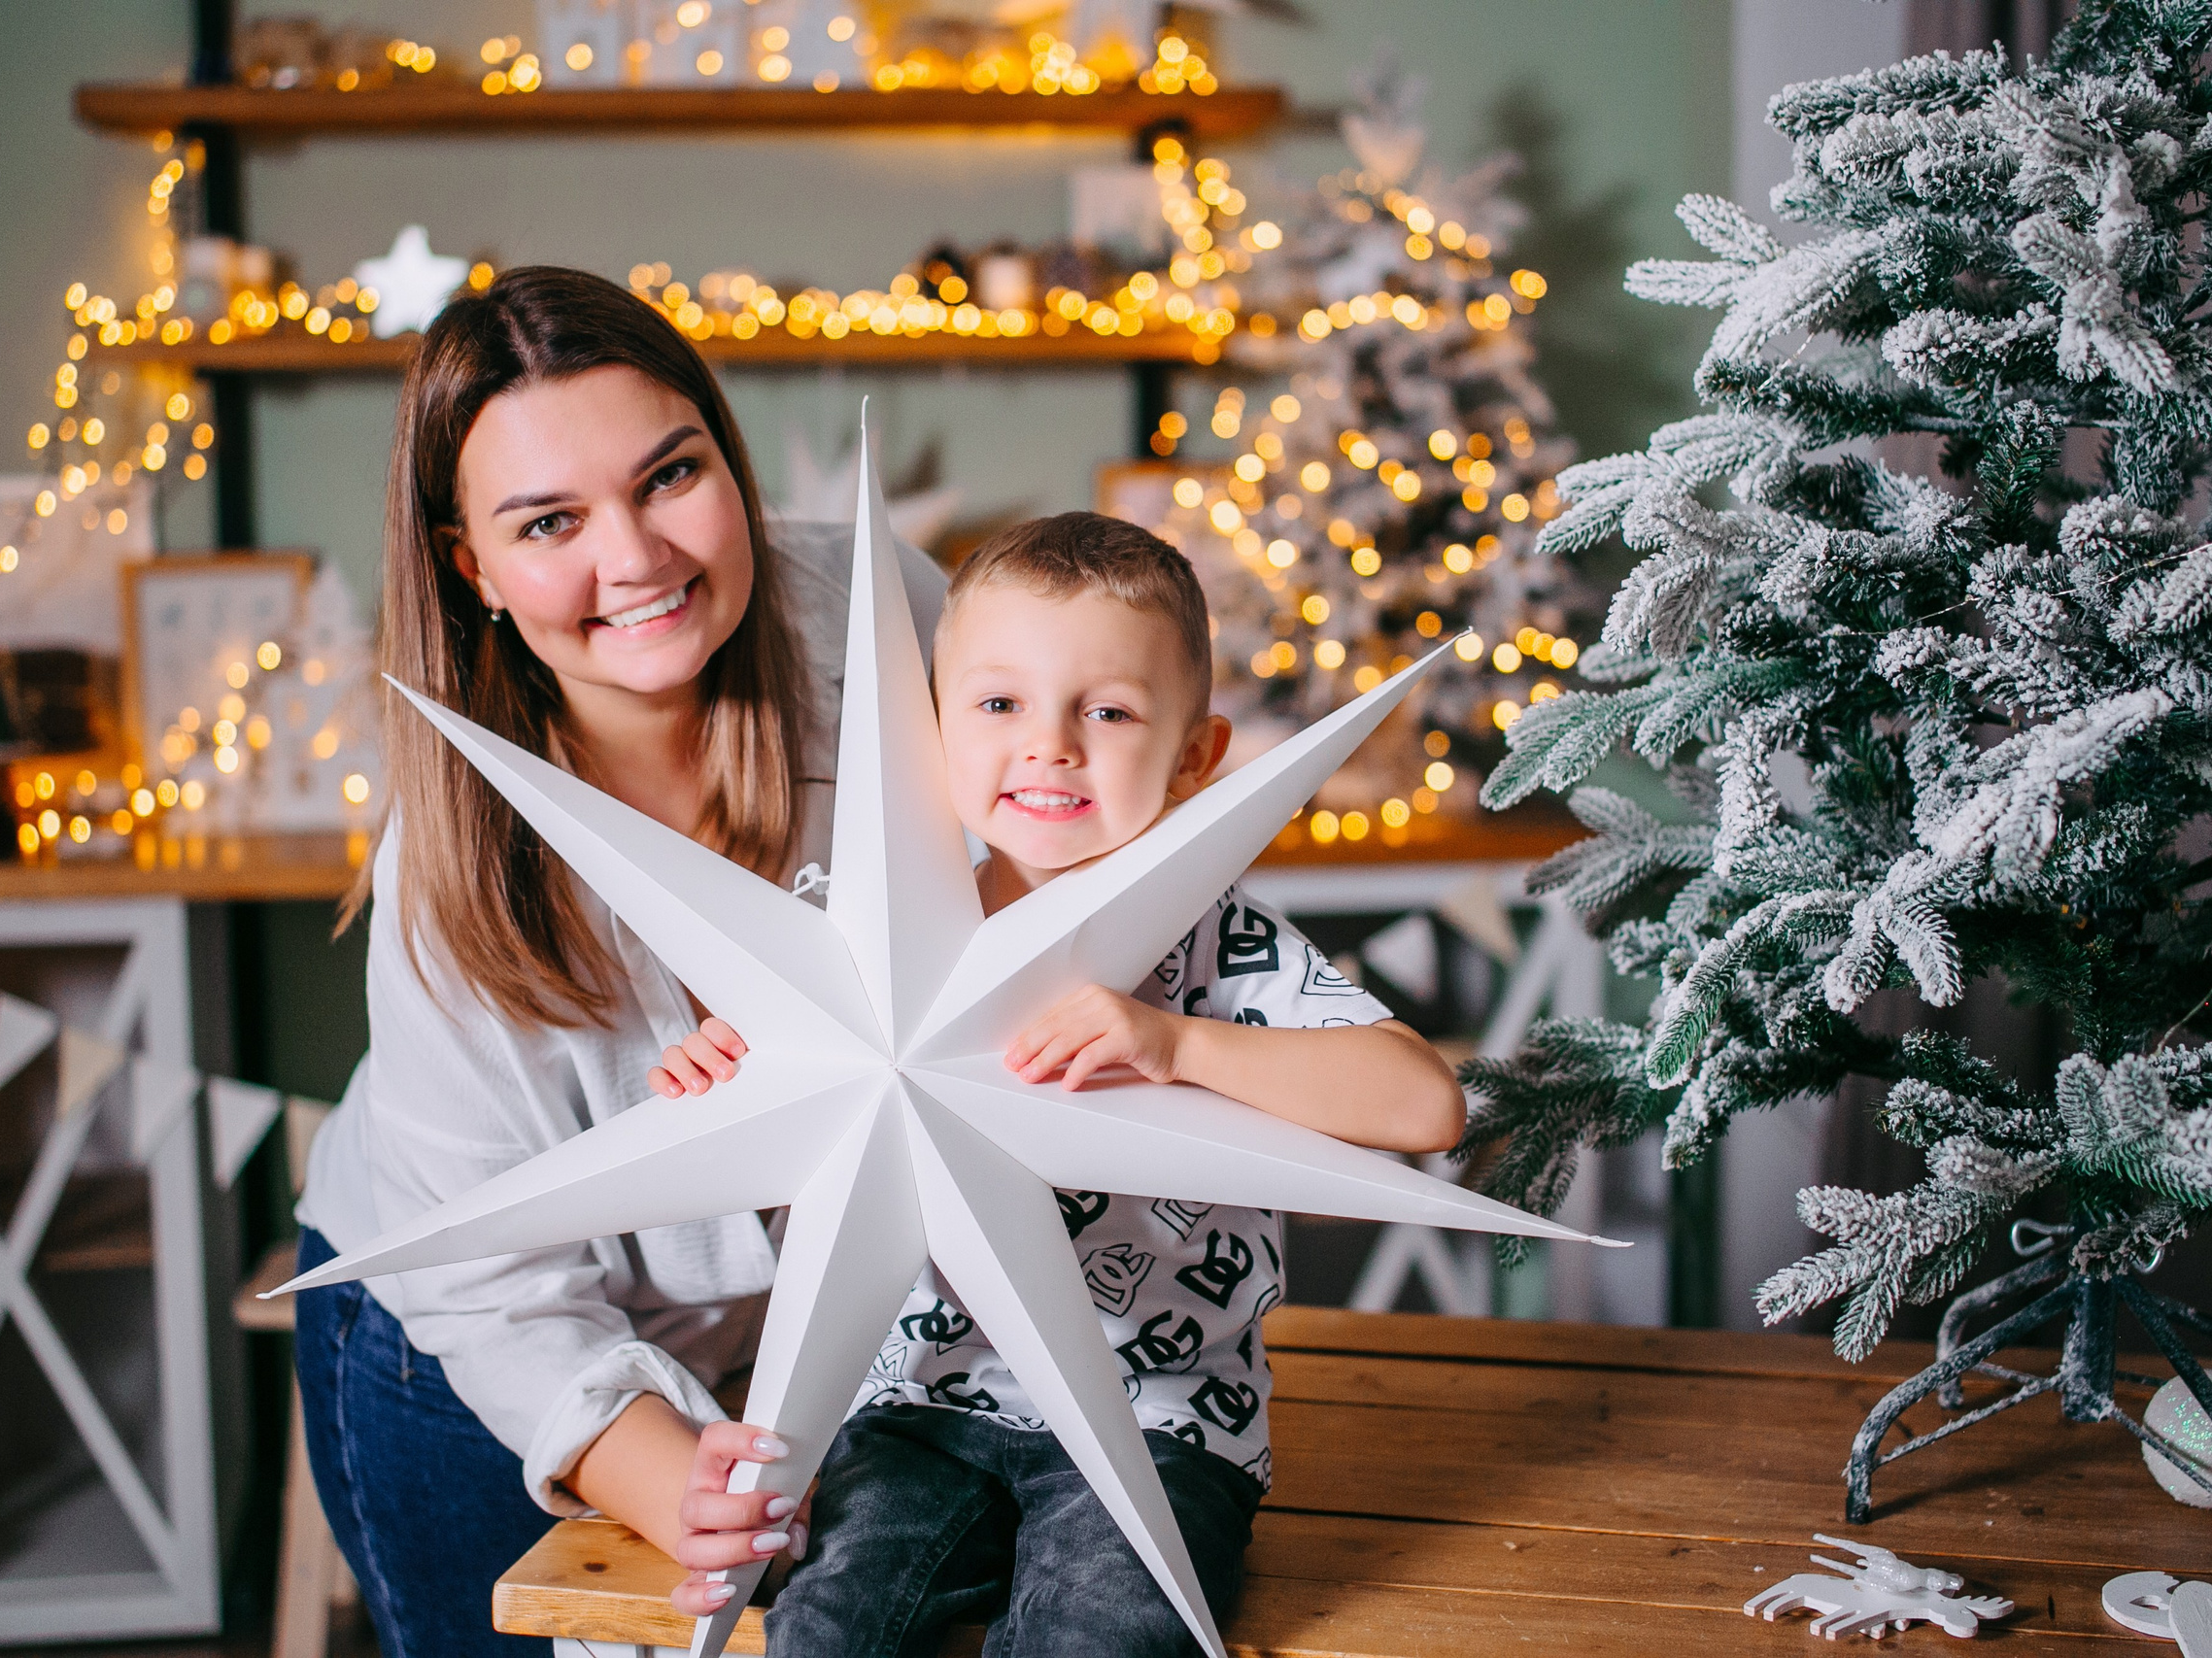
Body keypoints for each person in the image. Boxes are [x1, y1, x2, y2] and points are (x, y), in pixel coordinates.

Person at [651, 512, 1466, 1655]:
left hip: (1159, 1422)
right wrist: (714, 1068)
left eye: (1109, 711)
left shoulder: (1216, 943)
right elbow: (762, 1092)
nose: (1049, 747)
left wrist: (1177, 1045)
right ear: (929, 729)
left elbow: (1424, 1103)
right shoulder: (863, 926)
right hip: (910, 1410)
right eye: (997, 705)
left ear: (1193, 756)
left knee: (1100, 1638)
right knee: (825, 1630)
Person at [290, 264, 947, 1655]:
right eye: (549, 521)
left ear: (727, 451)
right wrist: (676, 1479)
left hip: (811, 1329)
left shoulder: (885, 616)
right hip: (470, 1343)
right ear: (470, 564)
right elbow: (496, 1287)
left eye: (669, 475)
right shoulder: (456, 870)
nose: (638, 556)